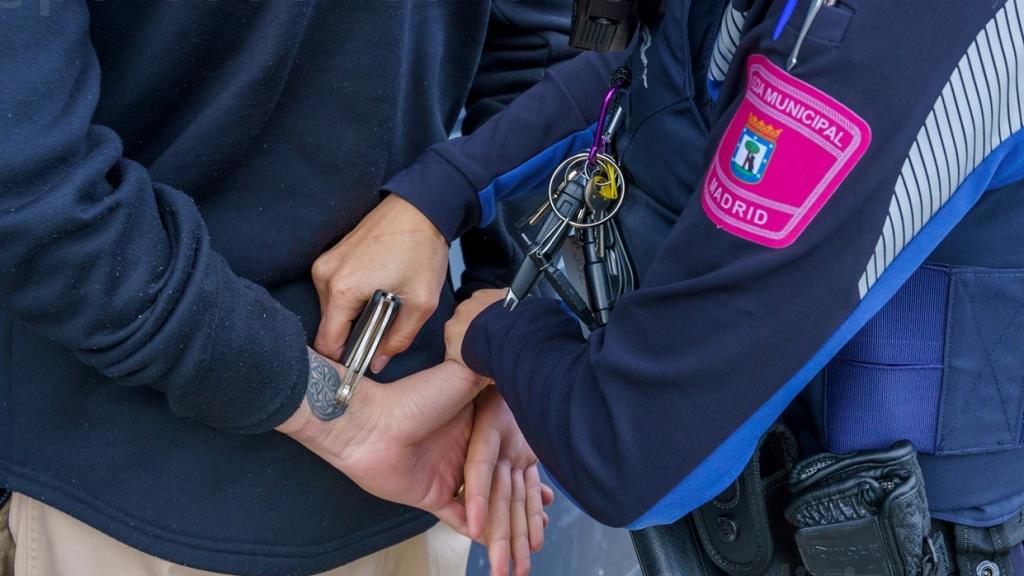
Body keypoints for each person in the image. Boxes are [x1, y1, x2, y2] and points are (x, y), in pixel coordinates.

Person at [316, 0, 1024, 572]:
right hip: (754, 506)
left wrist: (498, 331)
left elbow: (629, 453)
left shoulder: (894, 30)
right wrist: (440, 194)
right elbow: (656, 78)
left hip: (905, 536)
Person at [0, 1, 575, 574]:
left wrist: (505, 323)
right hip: (165, 488)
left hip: (401, 456)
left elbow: (32, 194)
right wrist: (511, 326)